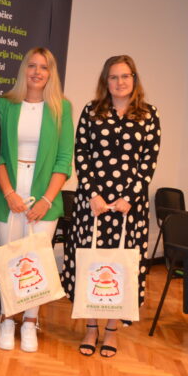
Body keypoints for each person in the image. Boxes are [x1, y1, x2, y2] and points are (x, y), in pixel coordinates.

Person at [63, 55, 161, 358]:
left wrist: (128, 199)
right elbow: (81, 155)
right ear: (106, 81)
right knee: (93, 263)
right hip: (93, 205)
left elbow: (148, 162)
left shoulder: (149, 115)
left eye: (125, 76)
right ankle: (91, 327)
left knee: (120, 267)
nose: (120, 82)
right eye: (114, 77)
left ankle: (112, 329)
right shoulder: (91, 112)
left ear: (134, 78)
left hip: (129, 207)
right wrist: (93, 195)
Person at [0, 47, 74, 353]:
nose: (37, 72)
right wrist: (9, 193)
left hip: (44, 197)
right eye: (32, 66)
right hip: (8, 194)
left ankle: (30, 322)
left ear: (51, 73)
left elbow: (64, 159)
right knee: (9, 259)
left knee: (37, 262)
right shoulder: (4, 105)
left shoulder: (61, 108)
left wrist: (47, 201)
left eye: (44, 67)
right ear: (24, 69)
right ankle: (7, 319)